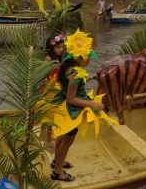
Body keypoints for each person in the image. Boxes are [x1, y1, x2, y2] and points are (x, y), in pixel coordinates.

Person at [50, 29, 116, 182]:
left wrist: (91, 77)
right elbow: (71, 98)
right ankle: (58, 172)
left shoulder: (66, 66)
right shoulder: (76, 73)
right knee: (68, 139)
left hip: (63, 106)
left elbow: (70, 86)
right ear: (80, 58)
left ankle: (56, 162)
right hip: (71, 109)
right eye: (88, 57)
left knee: (63, 134)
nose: (90, 60)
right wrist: (92, 103)